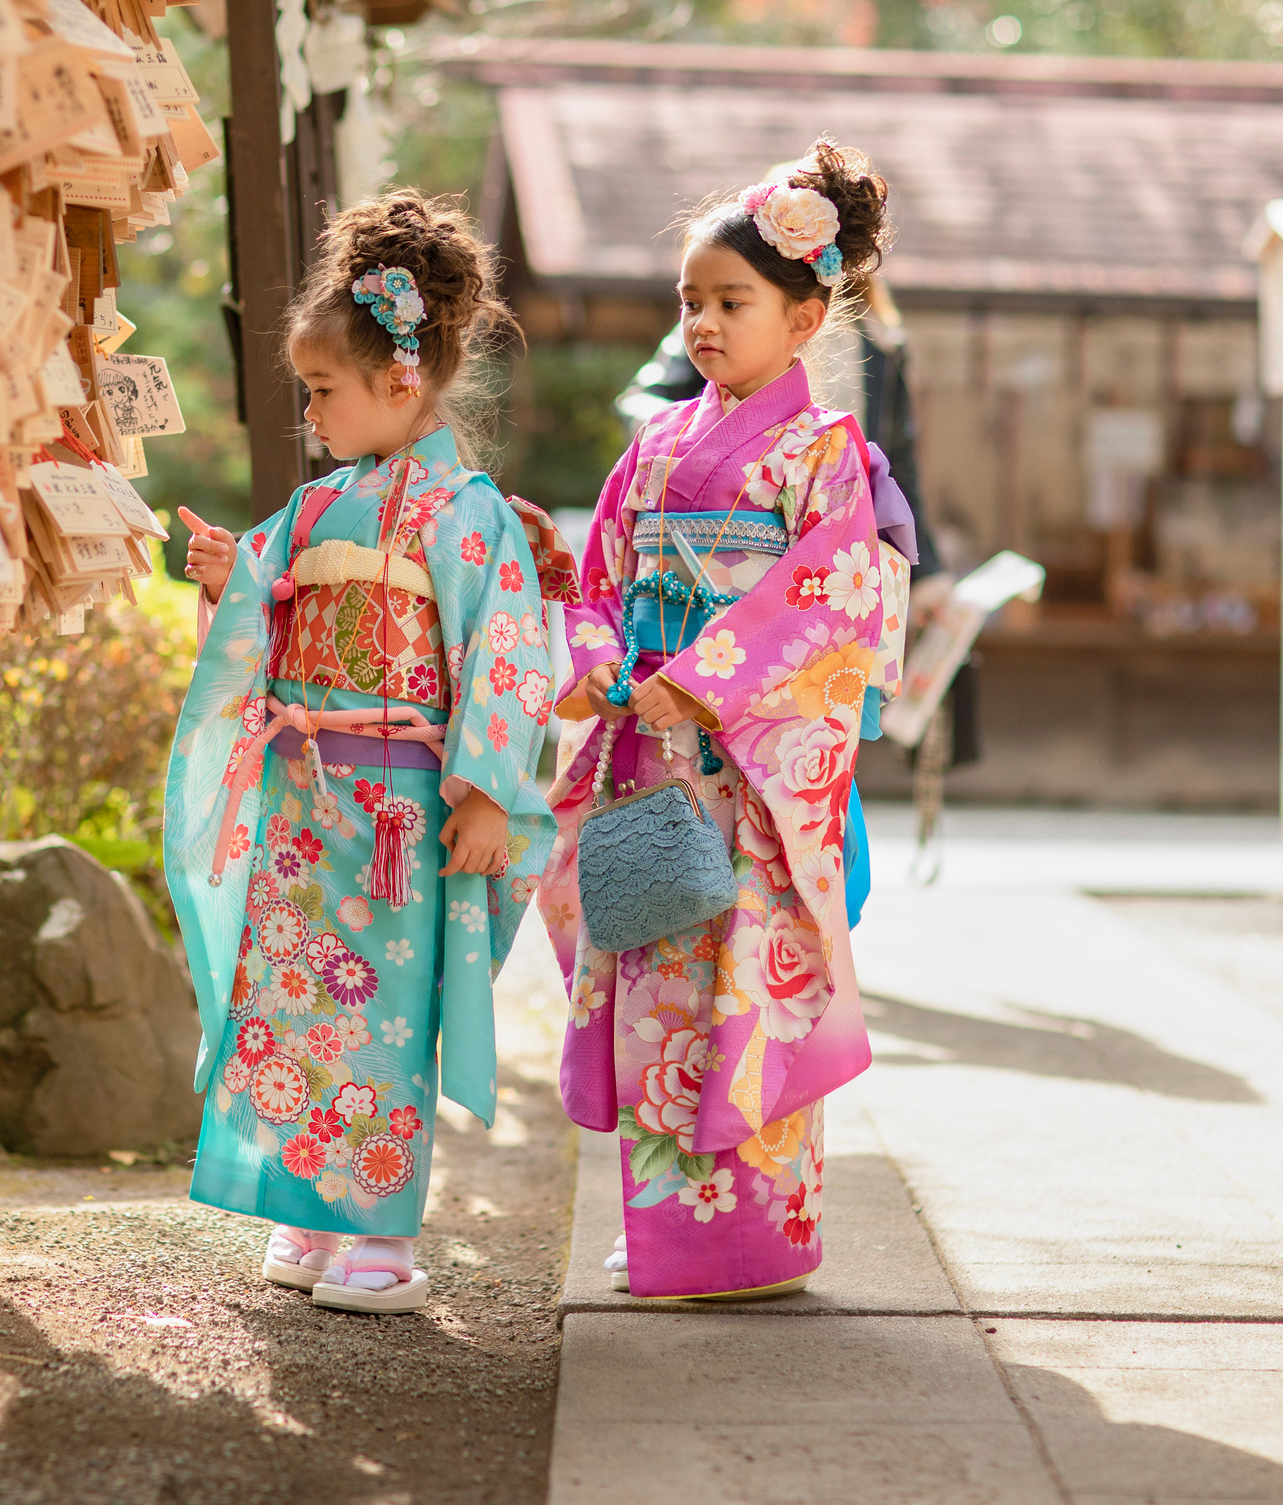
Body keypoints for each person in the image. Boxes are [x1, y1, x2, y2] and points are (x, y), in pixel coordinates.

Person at [168, 193, 562, 1314]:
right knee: (295, 999)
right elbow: (259, 619)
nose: (310, 411)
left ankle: (379, 1231)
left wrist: (485, 793)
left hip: (400, 807)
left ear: (399, 381)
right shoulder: (313, 508)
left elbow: (509, 651)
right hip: (304, 798)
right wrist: (232, 583)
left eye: (323, 388)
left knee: (385, 1013)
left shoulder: (468, 511)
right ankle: (308, 1207)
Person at [540, 139, 917, 1300]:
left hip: (750, 772)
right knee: (652, 971)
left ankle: (750, 1240)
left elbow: (837, 595)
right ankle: (664, 1222)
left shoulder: (824, 454)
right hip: (648, 756)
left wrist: (704, 679)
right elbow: (599, 585)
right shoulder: (652, 449)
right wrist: (605, 666)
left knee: (747, 986)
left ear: (804, 319)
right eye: (688, 301)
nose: (701, 322)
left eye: (730, 302)